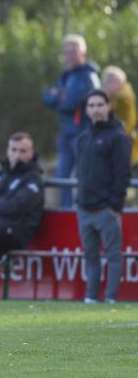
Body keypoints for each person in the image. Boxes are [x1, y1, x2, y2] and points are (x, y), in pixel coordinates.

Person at [75, 89, 132, 304]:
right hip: (84, 208)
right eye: (91, 105)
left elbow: (122, 174)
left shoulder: (118, 137)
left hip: (106, 210)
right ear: (87, 109)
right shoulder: (84, 137)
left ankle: (110, 298)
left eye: (100, 105)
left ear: (108, 107)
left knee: (113, 256)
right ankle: (91, 296)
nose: (95, 109)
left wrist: (114, 207)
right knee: (90, 256)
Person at [0, 133, 44, 299]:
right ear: (7, 151)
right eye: (14, 150)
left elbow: (14, 208)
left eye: (23, 151)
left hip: (15, 233)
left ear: (31, 153)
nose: (17, 155)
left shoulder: (33, 179)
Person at [42, 34, 100, 207]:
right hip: (66, 132)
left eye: (74, 51)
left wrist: (58, 98)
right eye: (66, 51)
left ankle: (83, 210)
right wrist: (57, 97)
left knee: (83, 175)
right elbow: (46, 98)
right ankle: (66, 209)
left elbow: (70, 103)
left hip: (82, 133)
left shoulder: (87, 76)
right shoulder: (67, 76)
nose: (70, 55)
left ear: (83, 53)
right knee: (62, 176)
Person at [101, 66, 138, 168]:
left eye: (116, 81)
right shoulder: (115, 95)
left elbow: (104, 111)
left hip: (124, 137)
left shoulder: (123, 95)